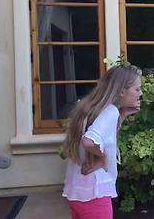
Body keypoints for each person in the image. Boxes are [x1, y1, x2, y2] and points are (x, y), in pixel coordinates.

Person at [62, 64, 142, 219]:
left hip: (78, 193)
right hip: (95, 194)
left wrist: (123, 115)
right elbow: (89, 141)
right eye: (137, 89)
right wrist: (102, 158)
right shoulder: (110, 112)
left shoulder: (93, 109)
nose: (141, 93)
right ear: (121, 91)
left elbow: (104, 137)